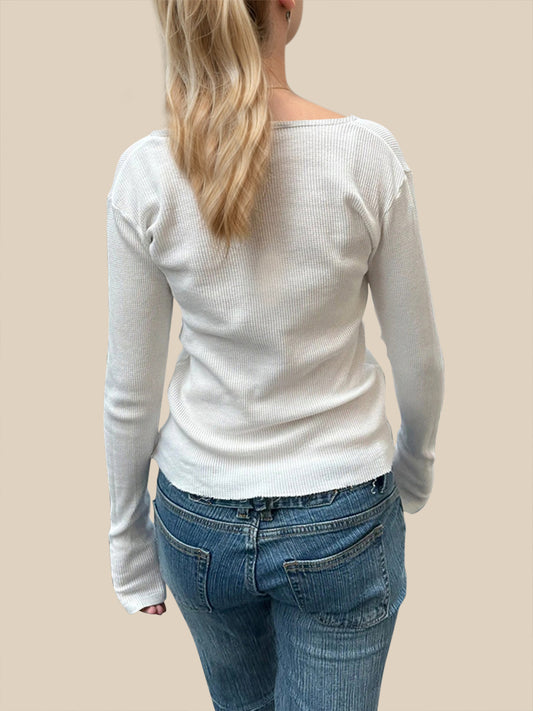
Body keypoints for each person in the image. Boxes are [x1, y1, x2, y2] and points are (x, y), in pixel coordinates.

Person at [103, 0, 445, 708]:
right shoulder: (366, 157)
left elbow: (129, 391)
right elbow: (419, 360)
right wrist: (413, 471)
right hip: (343, 516)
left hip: (198, 519)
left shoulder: (146, 173)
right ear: (287, 6)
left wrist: (129, 547)